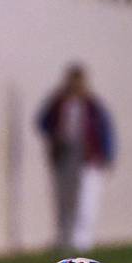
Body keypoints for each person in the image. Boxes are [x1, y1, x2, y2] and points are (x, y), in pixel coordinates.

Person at [36, 64, 115, 252]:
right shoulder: (59, 102)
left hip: (88, 157)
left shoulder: (93, 105)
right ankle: (63, 238)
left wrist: (107, 155)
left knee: (86, 198)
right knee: (63, 198)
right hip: (65, 155)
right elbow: (42, 122)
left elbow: (106, 131)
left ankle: (81, 241)